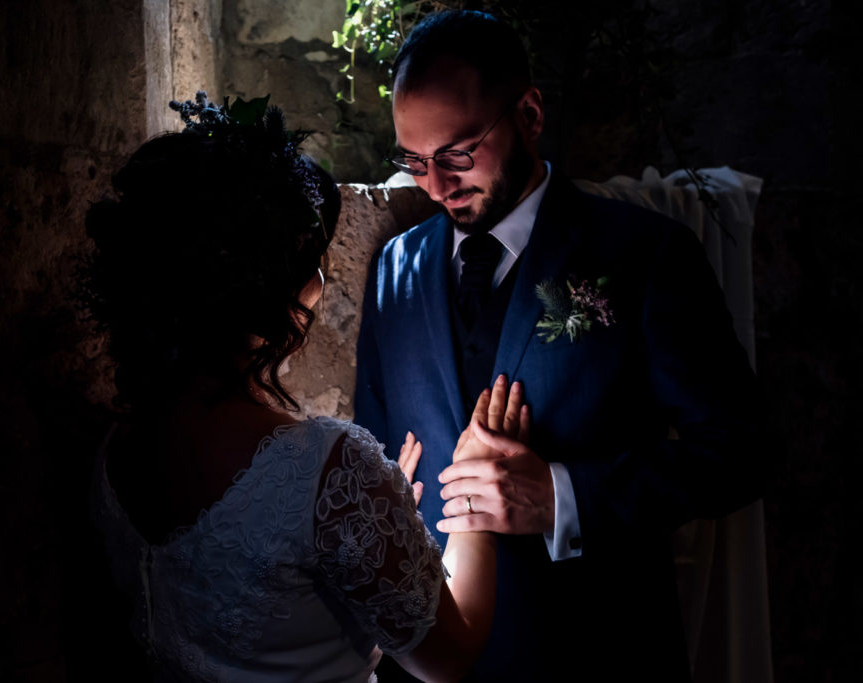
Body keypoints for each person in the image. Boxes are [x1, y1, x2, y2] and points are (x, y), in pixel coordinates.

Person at [353, 10, 763, 682]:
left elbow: (742, 452)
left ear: (530, 115)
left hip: (597, 648)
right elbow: (372, 459)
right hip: (425, 660)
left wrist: (562, 496)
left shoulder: (646, 253)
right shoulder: (394, 267)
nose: (434, 184)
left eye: (457, 154)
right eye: (413, 160)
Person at [81, 91, 528, 682]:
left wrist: (372, 534)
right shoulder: (329, 469)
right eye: (312, 262)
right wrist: (472, 517)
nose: (320, 281)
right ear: (271, 293)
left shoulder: (117, 449)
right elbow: (447, 656)